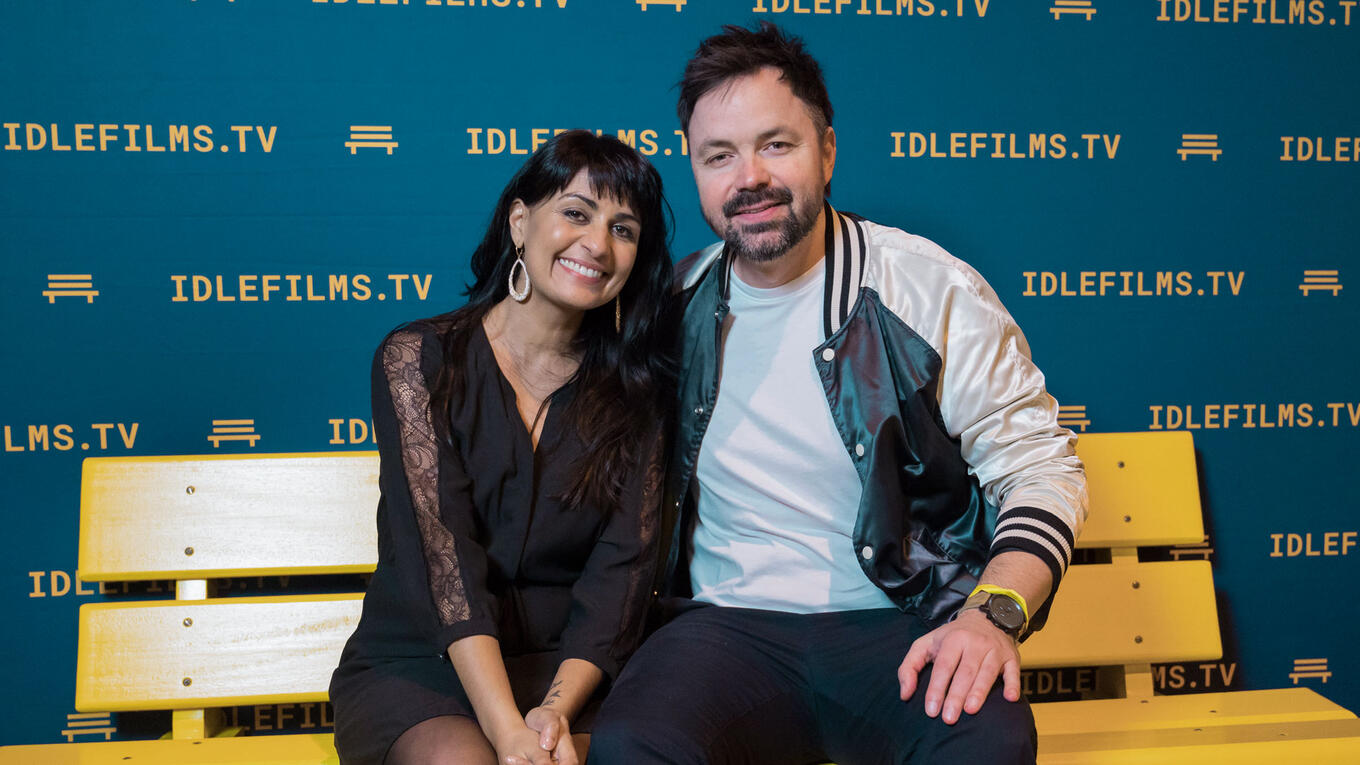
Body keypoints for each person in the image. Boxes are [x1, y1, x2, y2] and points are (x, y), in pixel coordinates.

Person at [589, 23, 1088, 765]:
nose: (748, 177)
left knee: (988, 744)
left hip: (902, 618)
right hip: (725, 629)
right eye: (718, 157)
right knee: (631, 746)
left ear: (827, 149)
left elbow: (1043, 469)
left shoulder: (928, 287)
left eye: (776, 144)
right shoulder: (674, 301)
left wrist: (993, 612)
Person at [329, 130, 674, 765]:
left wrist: (551, 713)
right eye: (575, 212)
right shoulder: (419, 359)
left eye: (623, 229)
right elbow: (444, 562)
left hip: (572, 673)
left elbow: (621, 578)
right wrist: (508, 734)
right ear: (521, 221)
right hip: (426, 664)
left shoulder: (637, 392)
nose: (597, 244)